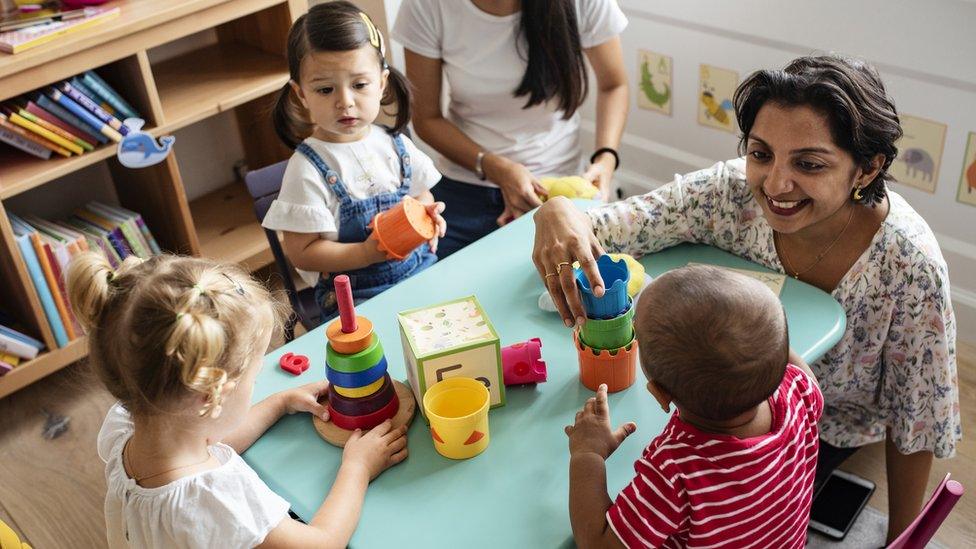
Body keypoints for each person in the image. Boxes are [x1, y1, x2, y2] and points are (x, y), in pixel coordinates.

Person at [534, 54, 960, 542]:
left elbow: (917, 420)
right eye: (760, 154)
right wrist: (558, 209)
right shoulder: (726, 194)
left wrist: (903, 538)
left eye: (810, 163)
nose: (775, 185)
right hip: (745, 408)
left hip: (827, 431)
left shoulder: (909, 264)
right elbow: (612, 227)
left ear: (868, 168)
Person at [67, 253, 408, 548]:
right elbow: (321, 544)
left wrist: (279, 402)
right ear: (212, 394)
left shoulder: (127, 426)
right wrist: (357, 468)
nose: (256, 384)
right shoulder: (216, 500)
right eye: (254, 377)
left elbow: (208, 441)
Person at [567, 265, 823, 548]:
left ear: (661, 395)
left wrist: (588, 453)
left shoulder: (675, 470)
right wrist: (758, 340)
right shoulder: (800, 391)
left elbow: (596, 543)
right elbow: (785, 362)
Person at [393, 0, 629, 258]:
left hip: (558, 187)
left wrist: (606, 159)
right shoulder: (426, 5)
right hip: (465, 187)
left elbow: (614, 85)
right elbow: (426, 118)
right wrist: (496, 168)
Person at [264, 2, 446, 320]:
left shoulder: (396, 144)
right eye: (325, 89)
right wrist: (364, 253)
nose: (345, 102)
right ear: (300, 94)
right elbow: (302, 252)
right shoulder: (307, 169)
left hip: (421, 273)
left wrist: (426, 215)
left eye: (359, 85)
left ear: (382, 83)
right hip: (356, 299)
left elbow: (421, 194)